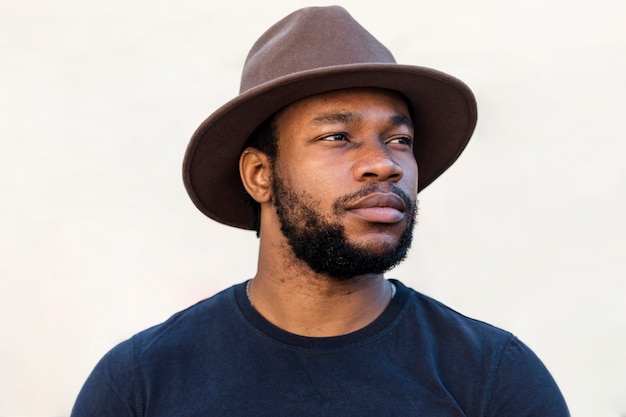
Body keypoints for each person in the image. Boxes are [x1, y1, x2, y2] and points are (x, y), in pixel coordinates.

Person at [71, 6, 569, 416]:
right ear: (259, 175)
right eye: (337, 137)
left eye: (400, 139)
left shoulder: (493, 378)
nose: (384, 164)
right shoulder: (141, 384)